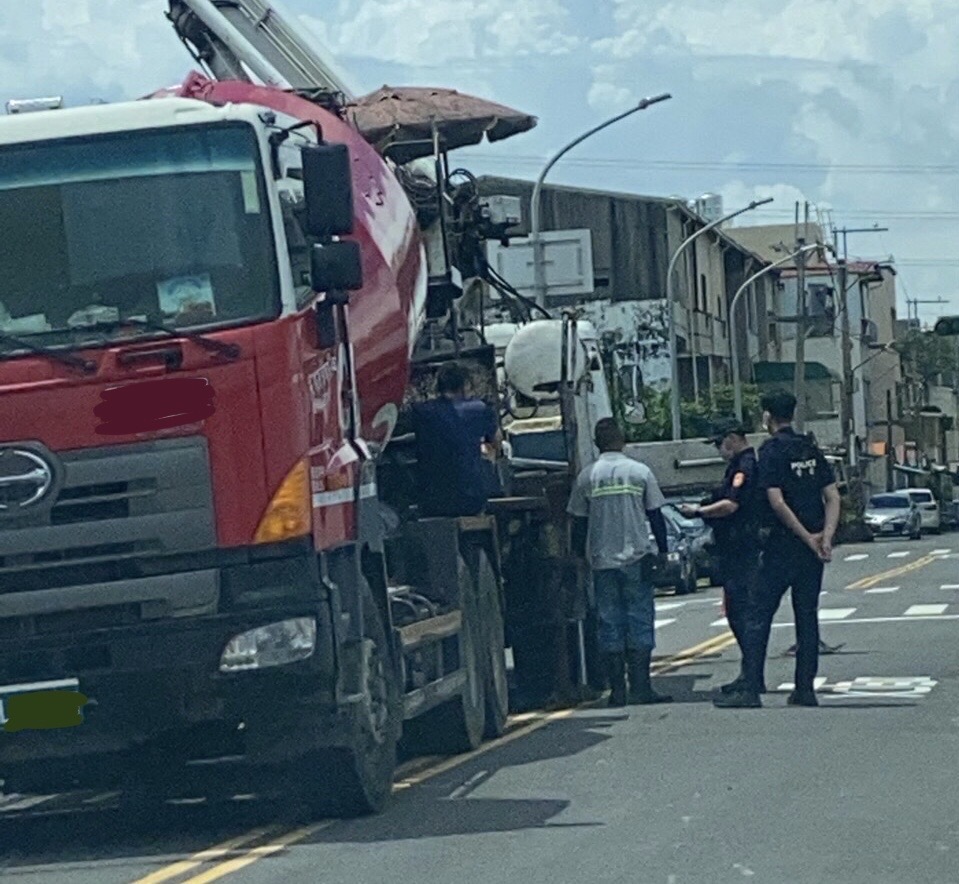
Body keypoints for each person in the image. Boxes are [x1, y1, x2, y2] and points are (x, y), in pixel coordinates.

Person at [715, 390, 841, 709]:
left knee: (758, 614)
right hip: (812, 550)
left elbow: (776, 500)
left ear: (768, 417)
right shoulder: (809, 447)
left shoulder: (771, 451)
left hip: (782, 546)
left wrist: (803, 536)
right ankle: (804, 688)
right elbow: (833, 496)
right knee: (807, 617)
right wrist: (824, 537)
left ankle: (751, 688)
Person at [567, 418, 672, 707]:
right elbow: (655, 515)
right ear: (622, 440)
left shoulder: (587, 477)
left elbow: (577, 522)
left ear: (598, 443)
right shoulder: (639, 472)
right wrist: (663, 551)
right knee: (639, 619)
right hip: (636, 558)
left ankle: (617, 691)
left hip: (602, 562)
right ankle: (641, 687)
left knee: (609, 622)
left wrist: (578, 557)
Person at [679, 418, 762, 694]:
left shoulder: (745, 467)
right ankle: (750, 673)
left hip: (743, 549)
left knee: (743, 614)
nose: (718, 449)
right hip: (734, 550)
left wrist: (698, 512)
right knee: (737, 613)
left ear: (732, 437)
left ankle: (752, 676)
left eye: (719, 442)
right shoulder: (736, 467)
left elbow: (730, 505)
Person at [411, 361, 502, 518]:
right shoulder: (478, 409)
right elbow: (496, 442)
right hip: (471, 499)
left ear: (438, 386)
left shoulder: (421, 412)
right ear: (465, 384)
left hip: (430, 500)